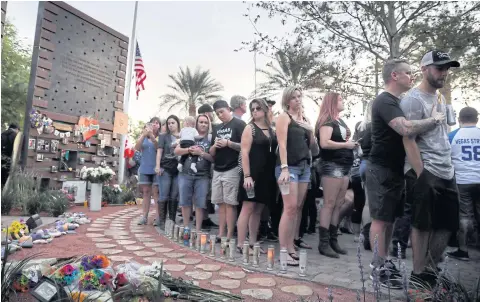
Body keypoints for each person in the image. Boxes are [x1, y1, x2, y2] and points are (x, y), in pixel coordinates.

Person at [367, 58, 445, 288]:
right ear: (395, 76)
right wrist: (433, 119)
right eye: (408, 73)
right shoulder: (385, 101)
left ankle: (384, 261)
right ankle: (377, 266)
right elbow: (405, 128)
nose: (412, 77)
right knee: (380, 220)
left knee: (389, 219)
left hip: (394, 169)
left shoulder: (398, 101)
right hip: (381, 169)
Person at [402, 50, 461, 288]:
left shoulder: (440, 98)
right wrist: (420, 172)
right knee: (422, 223)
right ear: (424, 68)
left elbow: (443, 132)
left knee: (448, 224)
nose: (444, 73)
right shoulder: (413, 99)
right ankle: (418, 274)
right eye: (439, 68)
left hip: (446, 168)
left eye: (447, 68)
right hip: (426, 169)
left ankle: (429, 269)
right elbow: (408, 138)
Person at [275, 86, 316, 266]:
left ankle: (291, 246)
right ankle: (283, 251)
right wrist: (284, 168)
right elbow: (282, 144)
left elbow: (313, 147)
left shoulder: (305, 119)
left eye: (300, 96)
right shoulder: (284, 117)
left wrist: (311, 130)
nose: (298, 100)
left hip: (304, 166)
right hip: (288, 167)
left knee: (297, 208)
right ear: (287, 100)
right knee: (290, 208)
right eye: (294, 97)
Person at [315, 92, 356, 258]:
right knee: (330, 203)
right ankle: (324, 242)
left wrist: (349, 145)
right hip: (332, 165)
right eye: (339, 99)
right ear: (332, 102)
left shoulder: (338, 120)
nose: (343, 101)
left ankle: (332, 239)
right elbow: (324, 143)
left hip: (344, 165)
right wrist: (347, 145)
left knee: (338, 203)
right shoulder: (327, 120)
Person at [237, 98, 277, 254]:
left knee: (258, 209)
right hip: (252, 173)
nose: (254, 111)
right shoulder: (250, 128)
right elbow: (244, 153)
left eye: (258, 108)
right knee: (247, 207)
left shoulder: (271, 129)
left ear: (265, 110)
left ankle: (252, 243)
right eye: (252, 109)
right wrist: (247, 175)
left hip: (267, 174)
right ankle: (241, 244)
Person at [447, 107, 480, 261]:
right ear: (477, 119)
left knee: (465, 216)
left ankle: (463, 250)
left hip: (462, 181)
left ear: (459, 119)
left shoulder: (452, 136)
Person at [210, 100, 246, 239]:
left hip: (233, 167)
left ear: (229, 109)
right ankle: (221, 233)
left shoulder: (239, 124)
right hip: (218, 169)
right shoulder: (216, 128)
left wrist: (228, 143)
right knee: (220, 204)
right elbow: (211, 152)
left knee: (230, 203)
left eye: (222, 112)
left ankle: (230, 235)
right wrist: (215, 146)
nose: (220, 115)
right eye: (217, 113)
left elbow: (245, 146)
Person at [175, 114, 214, 232]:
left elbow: (213, 159)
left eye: (205, 122)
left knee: (200, 203)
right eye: (201, 122)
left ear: (209, 125)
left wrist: (201, 153)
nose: (203, 124)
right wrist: (189, 150)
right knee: (185, 202)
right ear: (196, 123)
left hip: (202, 176)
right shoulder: (188, 134)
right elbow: (177, 150)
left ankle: (197, 230)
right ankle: (186, 227)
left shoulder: (210, 138)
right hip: (185, 174)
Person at [156, 115, 181, 225]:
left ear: (177, 124)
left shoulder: (183, 136)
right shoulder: (163, 136)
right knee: (164, 194)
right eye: (169, 123)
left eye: (173, 123)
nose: (170, 125)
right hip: (165, 168)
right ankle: (162, 221)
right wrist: (157, 166)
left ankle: (171, 220)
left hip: (178, 169)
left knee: (174, 195)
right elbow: (159, 152)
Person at [135, 117, 161, 225]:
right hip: (145, 168)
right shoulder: (144, 136)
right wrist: (144, 135)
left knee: (156, 193)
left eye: (157, 123)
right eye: (152, 123)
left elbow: (158, 147)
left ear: (159, 125)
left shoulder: (161, 137)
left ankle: (159, 217)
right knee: (146, 192)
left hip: (156, 168)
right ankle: (144, 216)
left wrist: (152, 137)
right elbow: (136, 147)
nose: (154, 125)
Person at [1, 123, 20, 189]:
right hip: (9, 157)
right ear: (16, 129)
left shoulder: (3, 134)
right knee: (6, 175)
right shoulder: (15, 135)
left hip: (2, 156)